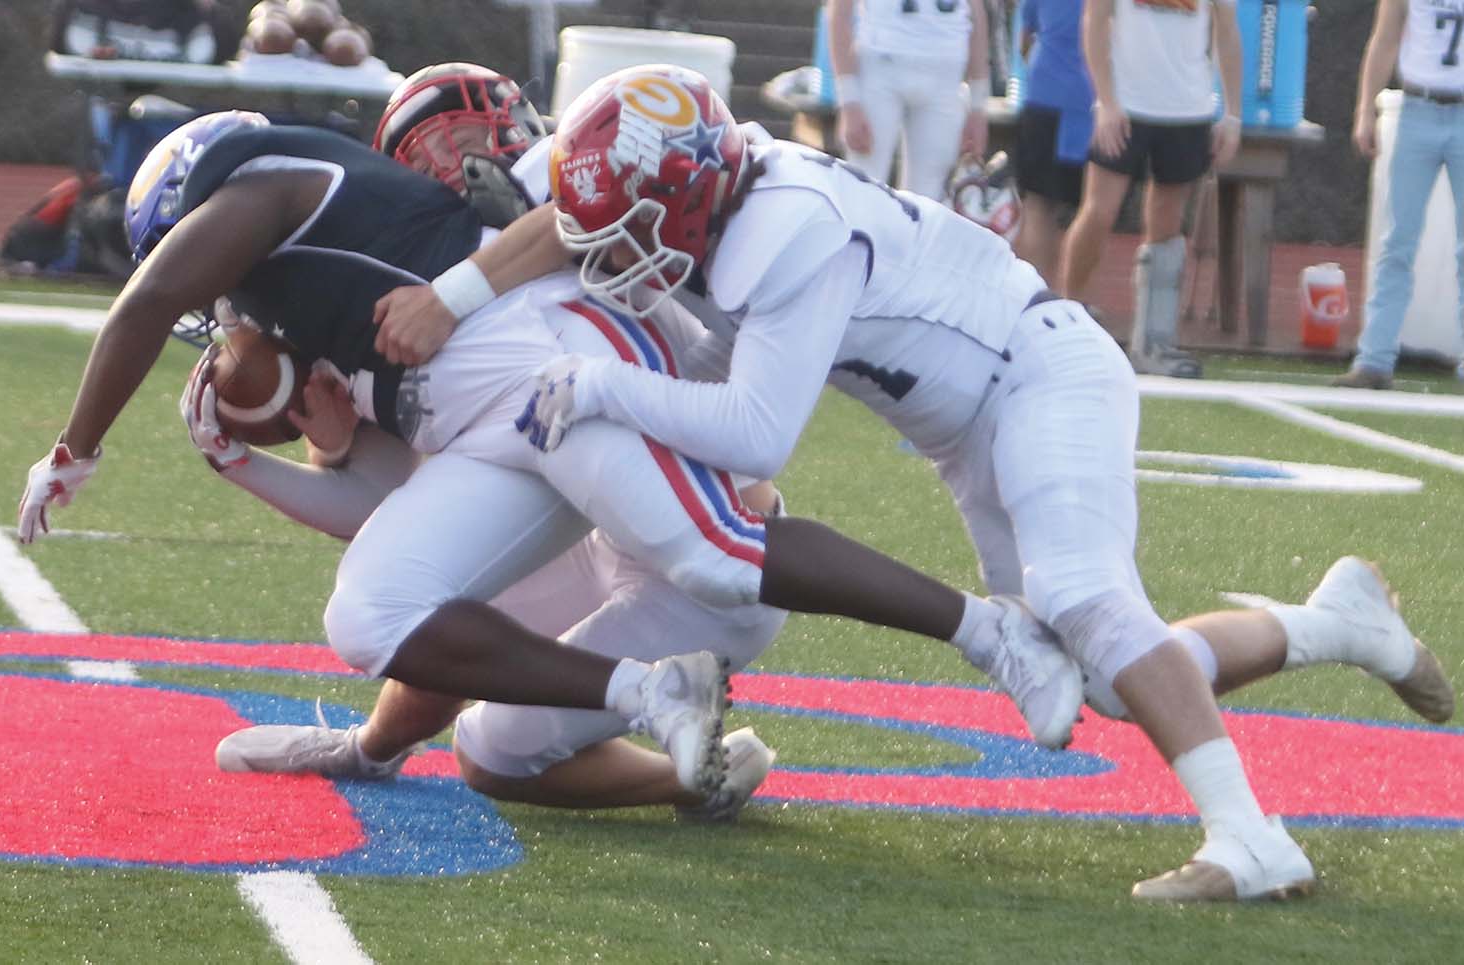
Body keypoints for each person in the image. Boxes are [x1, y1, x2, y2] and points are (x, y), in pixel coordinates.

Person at [509, 64, 1453, 900]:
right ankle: (1342, 622)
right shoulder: (737, 195)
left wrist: (602, 384)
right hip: (974, 421)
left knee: (1080, 598)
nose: (617, 253)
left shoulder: (790, 223)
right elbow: (720, 366)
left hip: (1038, 372)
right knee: (1113, 677)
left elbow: (757, 435)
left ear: (688, 192)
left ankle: (1253, 841)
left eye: (631, 227)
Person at [15, 100, 1084, 801]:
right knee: (372, 612)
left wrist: (73, 449)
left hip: (542, 355)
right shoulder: (334, 304)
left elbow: (151, 296)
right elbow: (391, 509)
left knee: (713, 551)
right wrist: (246, 463)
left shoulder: (272, 189)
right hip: (483, 419)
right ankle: (647, 698)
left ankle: (994, 634)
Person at [189, 309, 785, 818]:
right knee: (440, 604)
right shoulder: (404, 275)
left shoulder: (463, 281)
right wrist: (337, 439)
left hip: (702, 564)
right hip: (596, 516)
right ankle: (371, 750)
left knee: (488, 753)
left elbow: (386, 489)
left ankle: (691, 775)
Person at [1058, 0, 1244, 378]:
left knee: (1166, 224)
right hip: (1127, 107)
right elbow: (1095, 20)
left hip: (1187, 110)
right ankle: (1066, 321)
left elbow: (1226, 32)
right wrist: (1106, 101)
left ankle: (1153, 342)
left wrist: (1233, 115)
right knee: (1098, 211)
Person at [1336, 0, 1464, 390]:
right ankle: (1374, 359)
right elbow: (1386, 35)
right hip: (1417, 106)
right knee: (1397, 242)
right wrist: (1365, 109)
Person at [826, 0, 991, 201]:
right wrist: (849, 99)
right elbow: (839, 12)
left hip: (945, 77)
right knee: (863, 187)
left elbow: (976, 17)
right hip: (880, 69)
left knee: (928, 201)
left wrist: (978, 106)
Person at [1010, 0, 1093, 288]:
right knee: (1093, 208)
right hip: (1091, 101)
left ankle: (1034, 297)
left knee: (1038, 204)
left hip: (1047, 94)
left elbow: (1025, 39)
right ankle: (1072, 302)